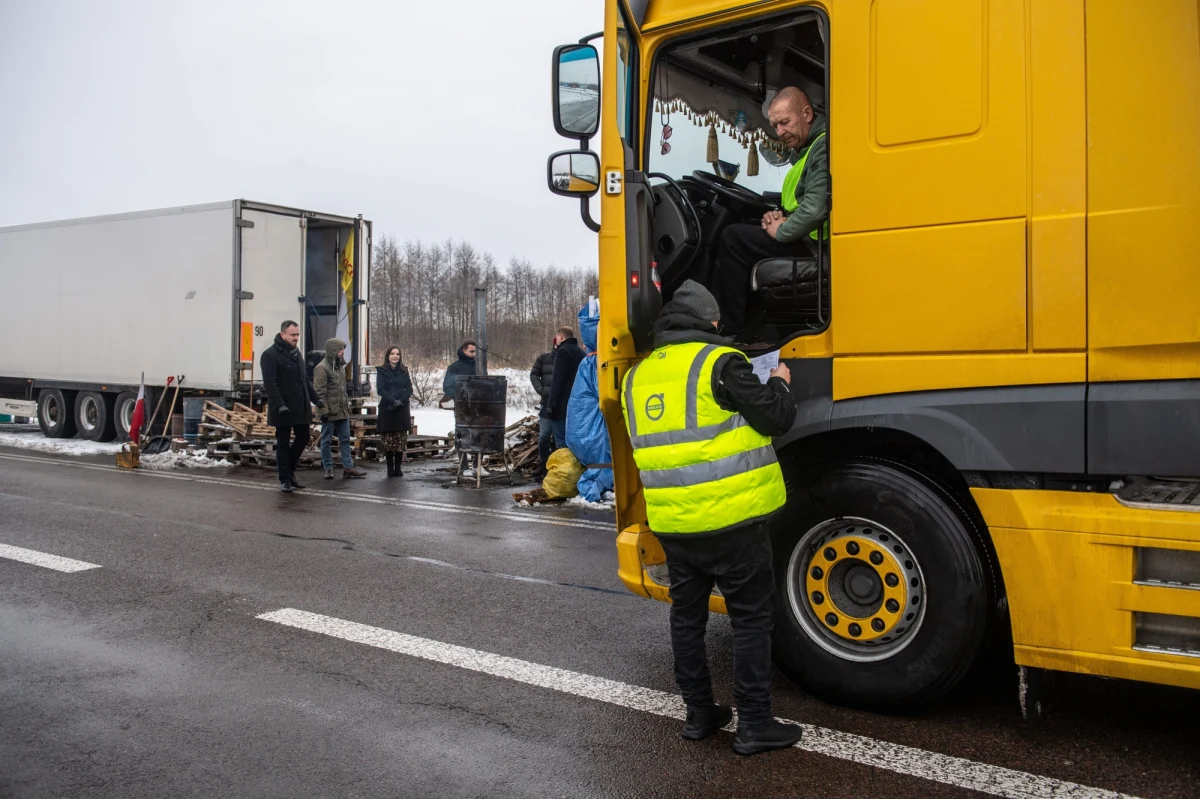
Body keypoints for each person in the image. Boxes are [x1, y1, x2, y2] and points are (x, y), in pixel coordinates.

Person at [620, 280, 802, 756]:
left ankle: (700, 714)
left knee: (687, 618)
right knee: (749, 620)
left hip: (675, 524)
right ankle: (755, 724)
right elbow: (776, 417)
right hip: (732, 521)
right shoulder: (720, 363)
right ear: (712, 322)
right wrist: (780, 380)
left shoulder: (636, 377)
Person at [712, 87, 829, 338]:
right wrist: (777, 216)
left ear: (807, 114)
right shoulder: (807, 150)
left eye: (785, 122)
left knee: (733, 238)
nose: (780, 132)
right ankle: (758, 333)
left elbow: (815, 210)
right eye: (775, 126)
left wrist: (782, 230)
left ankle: (728, 331)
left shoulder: (823, 146)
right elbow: (800, 203)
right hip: (809, 238)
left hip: (816, 244)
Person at [260, 320, 318, 493]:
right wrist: (279, 405)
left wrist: (316, 399)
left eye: (297, 335)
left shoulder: (296, 353)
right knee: (283, 443)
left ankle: (289, 470)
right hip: (282, 408)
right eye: (293, 335)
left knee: (304, 437)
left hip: (300, 406)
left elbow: (304, 380)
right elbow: (270, 384)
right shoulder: (269, 355)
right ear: (282, 334)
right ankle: (284, 478)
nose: (296, 338)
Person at [312, 337, 367, 479]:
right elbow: (319, 392)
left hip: (342, 410)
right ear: (332, 350)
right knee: (326, 440)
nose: (342, 352)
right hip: (329, 412)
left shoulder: (340, 367)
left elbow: (341, 390)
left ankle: (348, 467)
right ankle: (328, 468)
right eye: (340, 349)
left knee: (345, 439)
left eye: (343, 349)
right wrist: (323, 411)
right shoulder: (321, 368)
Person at [544, 326, 585, 456]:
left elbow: (558, 380)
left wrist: (551, 405)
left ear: (560, 337)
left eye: (556, 337)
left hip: (561, 405)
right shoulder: (580, 353)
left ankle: (565, 473)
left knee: (561, 444)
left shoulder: (563, 352)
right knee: (573, 443)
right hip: (577, 405)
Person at [376, 346, 412, 478]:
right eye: (392, 354)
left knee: (400, 440)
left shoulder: (404, 370)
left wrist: (400, 401)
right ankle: (390, 468)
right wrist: (392, 401)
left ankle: (398, 467)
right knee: (389, 440)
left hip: (401, 407)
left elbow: (409, 389)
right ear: (388, 355)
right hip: (387, 407)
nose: (395, 356)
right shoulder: (382, 370)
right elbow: (381, 389)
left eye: (397, 354)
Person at [529, 342, 556, 477]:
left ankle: (558, 466)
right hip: (547, 403)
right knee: (544, 435)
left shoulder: (571, 357)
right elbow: (534, 374)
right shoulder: (544, 358)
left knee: (559, 438)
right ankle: (544, 463)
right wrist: (542, 390)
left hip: (565, 404)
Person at [440, 340, 477, 408]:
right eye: (471, 351)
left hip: (480, 405)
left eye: (475, 351)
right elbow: (447, 387)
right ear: (464, 350)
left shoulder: (479, 367)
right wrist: (459, 396)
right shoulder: (454, 367)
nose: (474, 354)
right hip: (461, 406)